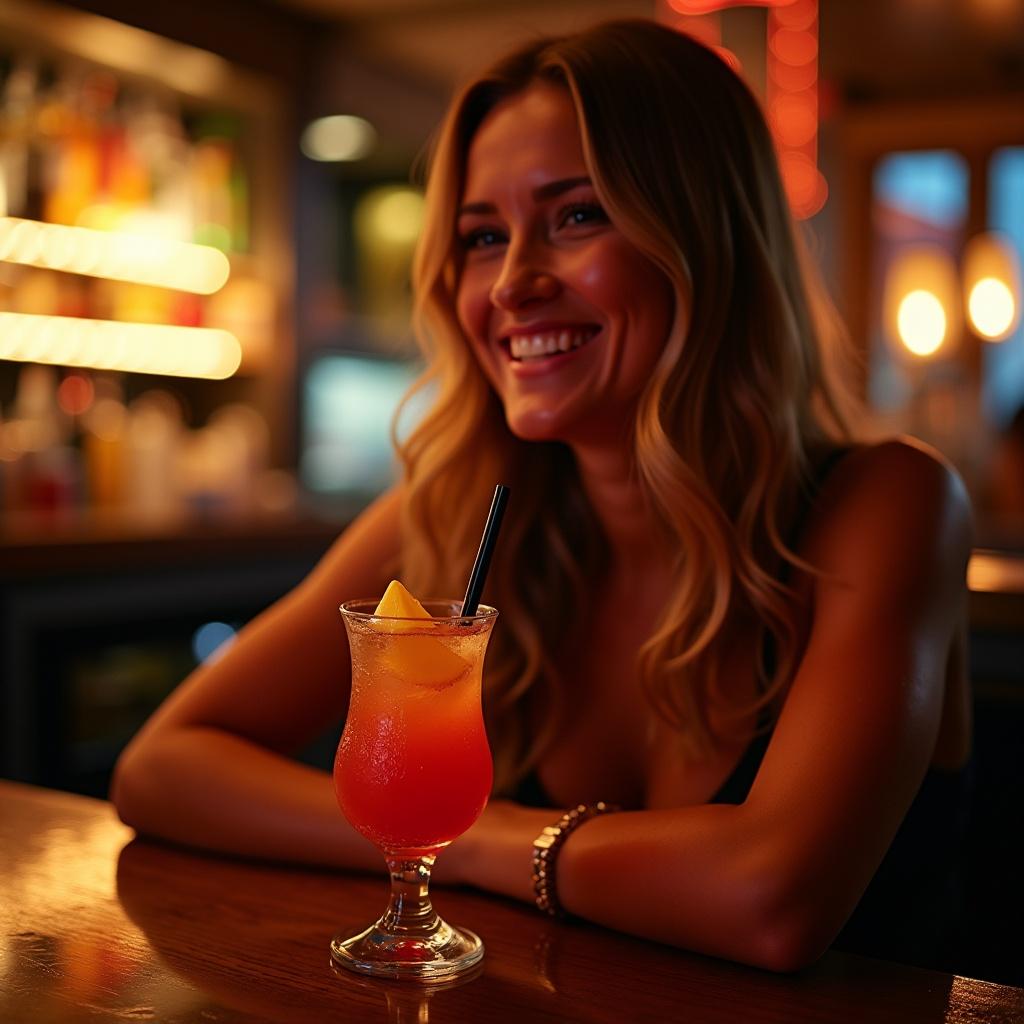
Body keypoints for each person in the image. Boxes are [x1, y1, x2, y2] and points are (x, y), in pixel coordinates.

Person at [111, 19, 973, 973]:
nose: (513, 282)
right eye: (483, 236)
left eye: (577, 215)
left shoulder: (888, 504)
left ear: (706, 236)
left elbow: (772, 898)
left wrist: (458, 837)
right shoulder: (447, 510)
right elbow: (163, 768)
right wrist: (479, 841)